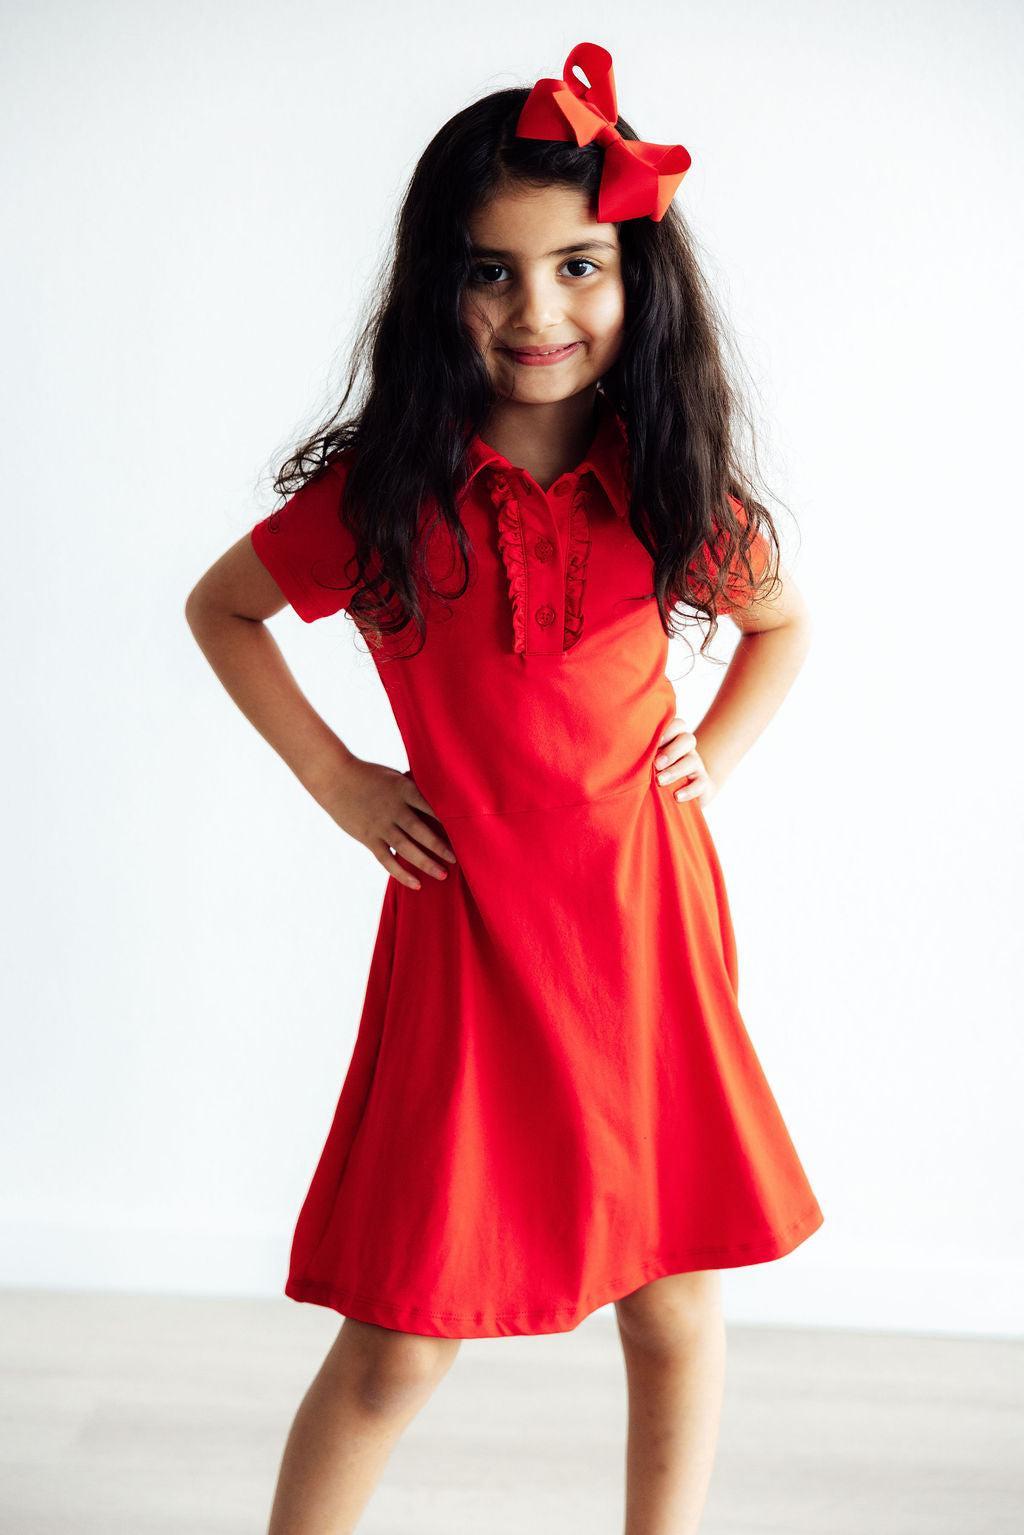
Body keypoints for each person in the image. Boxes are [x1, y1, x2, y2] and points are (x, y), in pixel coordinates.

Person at [185, 39, 824, 1535]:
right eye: (491, 273)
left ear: (638, 276)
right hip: (469, 941)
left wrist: (712, 755)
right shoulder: (383, 497)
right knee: (405, 1333)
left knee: (672, 1296)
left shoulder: (670, 481)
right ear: (437, 288)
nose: (537, 312)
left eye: (578, 266)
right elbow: (222, 611)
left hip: (645, 933)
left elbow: (783, 626)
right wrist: (345, 784)